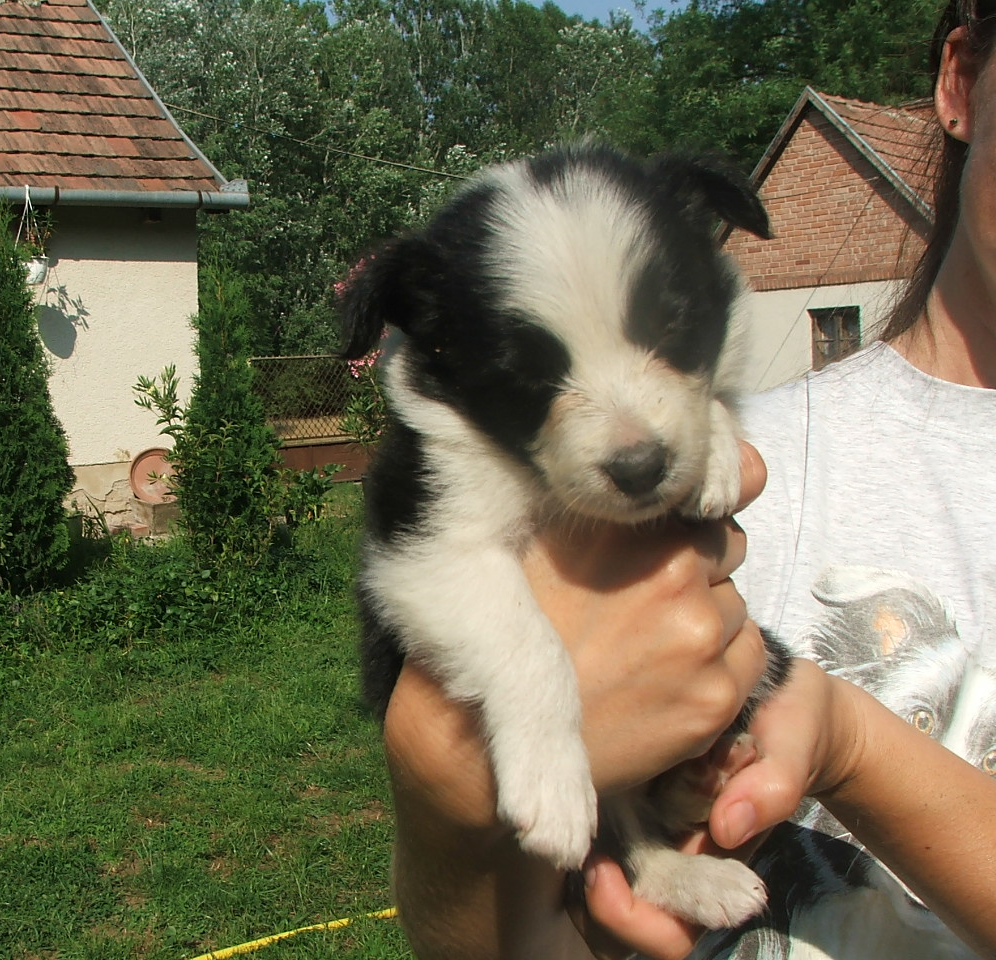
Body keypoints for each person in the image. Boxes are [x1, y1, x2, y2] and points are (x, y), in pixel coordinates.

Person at [380, 1, 996, 957]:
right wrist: (444, 787)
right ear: (960, 78)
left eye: (666, 341)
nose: (634, 439)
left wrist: (847, 743)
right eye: (542, 375)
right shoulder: (774, 440)